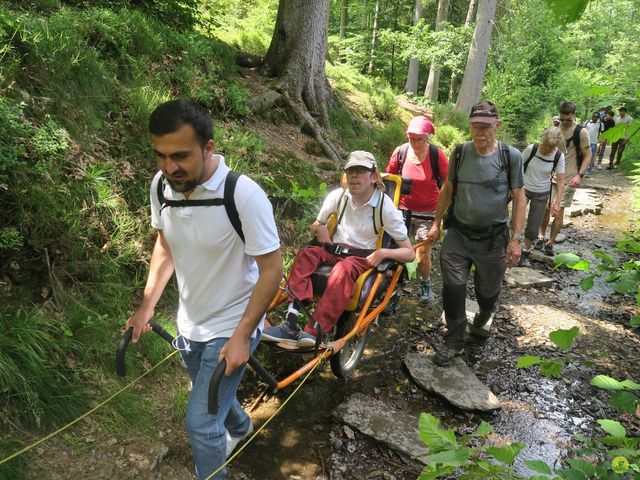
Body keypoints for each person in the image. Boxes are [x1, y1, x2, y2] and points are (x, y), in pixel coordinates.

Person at [125, 100, 283, 480]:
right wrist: (147, 306)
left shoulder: (242, 194)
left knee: (200, 422)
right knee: (208, 392)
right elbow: (165, 246)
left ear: (208, 147)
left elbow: (272, 269)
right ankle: (242, 429)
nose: (169, 167)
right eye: (161, 156)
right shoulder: (162, 187)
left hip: (234, 323)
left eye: (180, 156)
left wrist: (243, 334)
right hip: (189, 323)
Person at [262, 151, 415, 347]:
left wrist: (385, 252)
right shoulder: (338, 196)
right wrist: (320, 228)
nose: (354, 175)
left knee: (343, 270)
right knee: (307, 254)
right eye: (350, 170)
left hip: (361, 258)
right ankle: (290, 323)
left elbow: (409, 253)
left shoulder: (384, 207)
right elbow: (317, 223)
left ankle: (315, 330)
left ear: (374, 176)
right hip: (333, 250)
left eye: (360, 170)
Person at [427, 101, 525, 367]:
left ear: (497, 126)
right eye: (474, 127)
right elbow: (448, 189)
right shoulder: (460, 153)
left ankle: (485, 312)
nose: (480, 133)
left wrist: (516, 239)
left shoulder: (510, 156)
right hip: (458, 234)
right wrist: (436, 222)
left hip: (493, 238)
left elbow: (518, 196)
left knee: (487, 291)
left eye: (486, 128)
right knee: (453, 288)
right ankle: (454, 341)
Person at [384, 116, 449, 303]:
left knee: (422, 256)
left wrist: (440, 220)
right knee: (395, 252)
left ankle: (426, 284)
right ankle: (392, 292)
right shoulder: (401, 152)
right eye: (412, 138)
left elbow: (449, 184)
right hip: (401, 211)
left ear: (427, 138)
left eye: (419, 139)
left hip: (428, 213)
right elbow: (388, 178)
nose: (415, 143)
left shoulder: (437, 155)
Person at [535, 101, 591, 256]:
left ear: (574, 114)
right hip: (549, 176)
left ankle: (550, 243)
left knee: (558, 212)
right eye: (562, 118)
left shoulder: (581, 132)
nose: (565, 122)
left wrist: (579, 176)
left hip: (569, 177)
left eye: (568, 119)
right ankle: (540, 236)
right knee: (544, 209)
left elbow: (587, 156)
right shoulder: (556, 127)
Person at [519, 127, 566, 267]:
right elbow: (517, 167)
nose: (547, 148)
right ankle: (510, 248)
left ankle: (525, 253)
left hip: (542, 192)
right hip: (524, 189)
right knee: (516, 219)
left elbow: (561, 181)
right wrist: (513, 188)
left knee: (533, 225)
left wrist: (557, 203)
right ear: (542, 140)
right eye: (546, 144)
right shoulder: (531, 149)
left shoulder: (559, 156)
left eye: (551, 146)